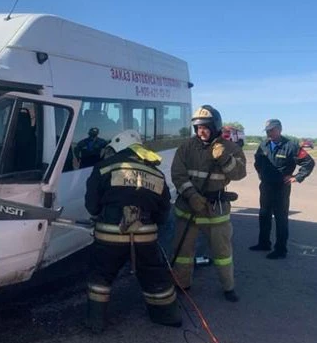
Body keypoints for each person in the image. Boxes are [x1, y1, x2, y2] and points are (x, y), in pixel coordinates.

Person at [84, 130, 181, 333]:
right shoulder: (157, 173)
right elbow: (164, 213)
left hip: (109, 235)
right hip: (146, 236)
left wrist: (100, 213)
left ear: (118, 146)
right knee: (155, 275)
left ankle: (95, 322)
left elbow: (91, 205)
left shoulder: (104, 167)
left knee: (101, 276)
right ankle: (167, 316)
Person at [171, 105, 246, 302]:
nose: (200, 131)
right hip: (189, 208)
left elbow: (239, 173)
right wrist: (192, 195)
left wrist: (224, 158)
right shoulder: (186, 147)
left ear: (215, 126)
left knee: (223, 253)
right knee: (183, 252)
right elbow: (178, 175)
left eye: (205, 127)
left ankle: (228, 287)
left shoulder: (230, 148)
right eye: (197, 128)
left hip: (216, 210)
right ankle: (182, 283)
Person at [249, 119, 314, 259]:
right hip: (266, 186)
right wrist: (261, 173)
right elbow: (257, 161)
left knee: (281, 219)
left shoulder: (291, 146)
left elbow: (309, 162)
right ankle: (264, 243)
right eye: (267, 130)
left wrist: (297, 177)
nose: (269, 133)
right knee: (264, 215)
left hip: (281, 188)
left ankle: (280, 249)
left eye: (271, 130)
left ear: (279, 129)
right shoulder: (264, 145)